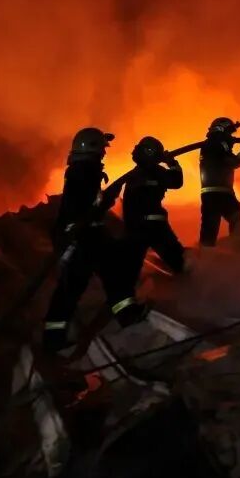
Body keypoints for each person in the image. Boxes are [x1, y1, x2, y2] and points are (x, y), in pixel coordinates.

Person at [42, 127, 146, 354]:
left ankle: (127, 314)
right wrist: (107, 199)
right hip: (80, 237)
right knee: (73, 286)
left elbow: (89, 206)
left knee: (112, 275)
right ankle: (53, 337)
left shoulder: (84, 171)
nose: (104, 153)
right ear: (92, 149)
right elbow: (85, 208)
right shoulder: (84, 172)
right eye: (102, 149)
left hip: (89, 234)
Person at [106, 136, 186, 276]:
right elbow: (176, 181)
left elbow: (176, 182)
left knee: (130, 269)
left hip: (140, 228)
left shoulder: (139, 174)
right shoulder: (151, 172)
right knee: (179, 262)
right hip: (152, 228)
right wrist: (172, 163)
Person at [199, 117, 240, 249]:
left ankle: (209, 254)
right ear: (221, 130)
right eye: (229, 132)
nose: (231, 136)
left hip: (218, 193)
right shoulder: (217, 144)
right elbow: (234, 162)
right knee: (229, 221)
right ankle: (234, 251)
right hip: (218, 194)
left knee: (214, 227)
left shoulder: (213, 144)